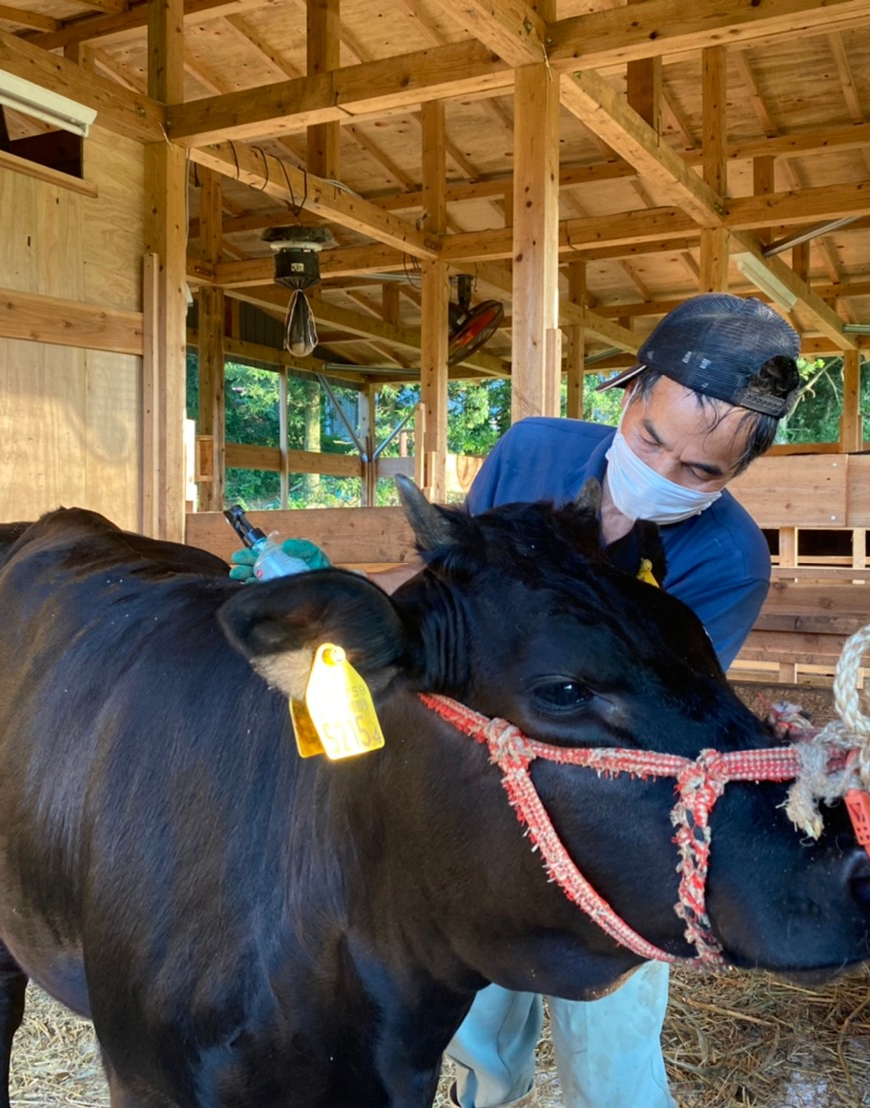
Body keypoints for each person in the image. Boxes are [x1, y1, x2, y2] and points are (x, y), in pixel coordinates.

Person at [232, 292, 802, 1107]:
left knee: (612, 1031)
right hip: (480, 784)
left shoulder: (729, 557)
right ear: (630, 393)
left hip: (617, 814)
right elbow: (450, 584)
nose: (663, 473)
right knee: (478, 1008)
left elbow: (670, 721)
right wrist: (333, 590)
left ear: (740, 471)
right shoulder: (532, 452)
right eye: (651, 440)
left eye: (700, 471)